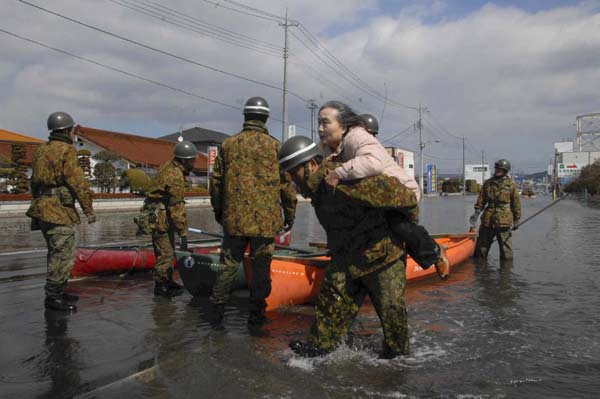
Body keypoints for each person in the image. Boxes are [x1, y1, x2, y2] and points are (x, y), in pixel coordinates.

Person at [279, 135, 418, 359]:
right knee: (326, 322)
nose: (294, 182)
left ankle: (397, 375)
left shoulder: (342, 180)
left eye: (295, 174)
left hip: (382, 259)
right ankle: (317, 355)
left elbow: (404, 197)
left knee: (395, 337)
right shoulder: (317, 190)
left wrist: (408, 228)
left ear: (312, 165)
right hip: (346, 259)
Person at [319, 102, 449, 279]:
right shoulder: (328, 146)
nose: (320, 128)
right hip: (374, 197)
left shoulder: (356, 136)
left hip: (399, 193)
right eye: (318, 123)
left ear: (342, 126)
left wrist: (338, 173)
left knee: (398, 225)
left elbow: (373, 162)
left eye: (325, 123)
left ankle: (434, 252)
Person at [209, 96, 297, 326]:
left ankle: (216, 312)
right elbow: (286, 185)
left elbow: (216, 182)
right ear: (266, 117)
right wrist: (290, 215)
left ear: (245, 116)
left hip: (234, 220)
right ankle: (256, 314)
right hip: (265, 223)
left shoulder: (228, 145)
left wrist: (219, 211)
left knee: (227, 265)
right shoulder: (275, 147)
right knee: (261, 267)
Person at [27, 112, 96, 312]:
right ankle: (53, 297)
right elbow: (78, 183)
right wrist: (88, 210)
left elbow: (34, 182)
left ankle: (59, 291)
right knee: (63, 254)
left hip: (42, 208)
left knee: (55, 252)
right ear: (67, 130)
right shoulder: (67, 150)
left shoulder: (41, 150)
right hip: (59, 210)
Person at [145, 140, 198, 296]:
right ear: (184, 160)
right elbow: (176, 206)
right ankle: (160, 286)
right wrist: (183, 232)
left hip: (159, 214)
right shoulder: (175, 175)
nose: (193, 163)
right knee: (166, 252)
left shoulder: (168, 166)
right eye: (192, 160)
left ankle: (167, 280)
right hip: (161, 217)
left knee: (165, 249)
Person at [470, 159, 521, 260]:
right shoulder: (488, 183)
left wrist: (517, 220)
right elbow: (481, 200)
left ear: (505, 171)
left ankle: (506, 273)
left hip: (503, 221)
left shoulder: (511, 185)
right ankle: (481, 273)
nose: (497, 170)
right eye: (497, 168)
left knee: (506, 251)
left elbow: (516, 204)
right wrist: (476, 213)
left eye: (500, 169)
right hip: (488, 220)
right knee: (481, 249)